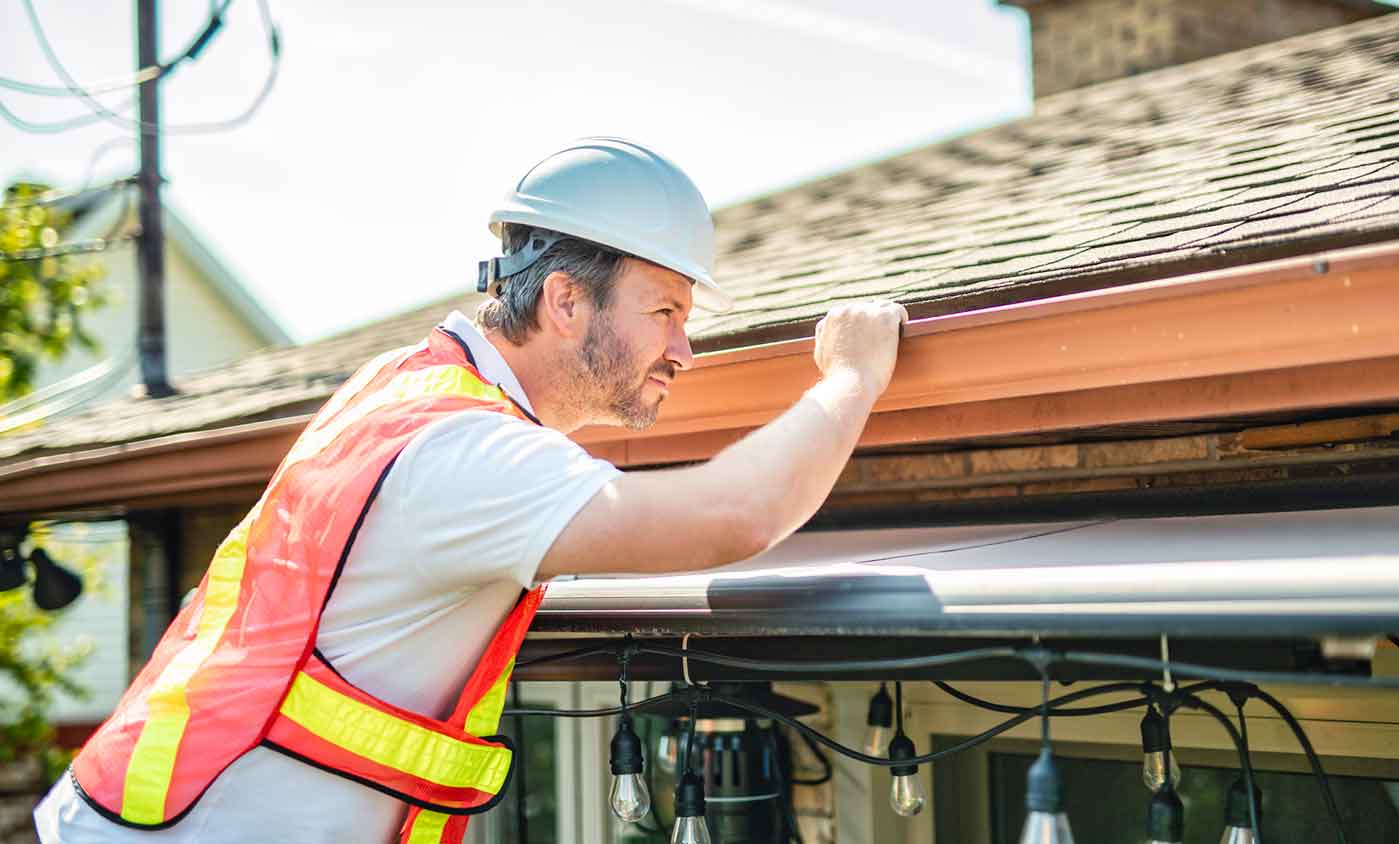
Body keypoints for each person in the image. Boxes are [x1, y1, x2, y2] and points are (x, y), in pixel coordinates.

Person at [34, 138, 906, 843]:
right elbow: (731, 514)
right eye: (666, 312)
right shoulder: (466, 452)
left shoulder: (410, 388)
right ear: (565, 301)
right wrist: (851, 379)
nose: (685, 350)